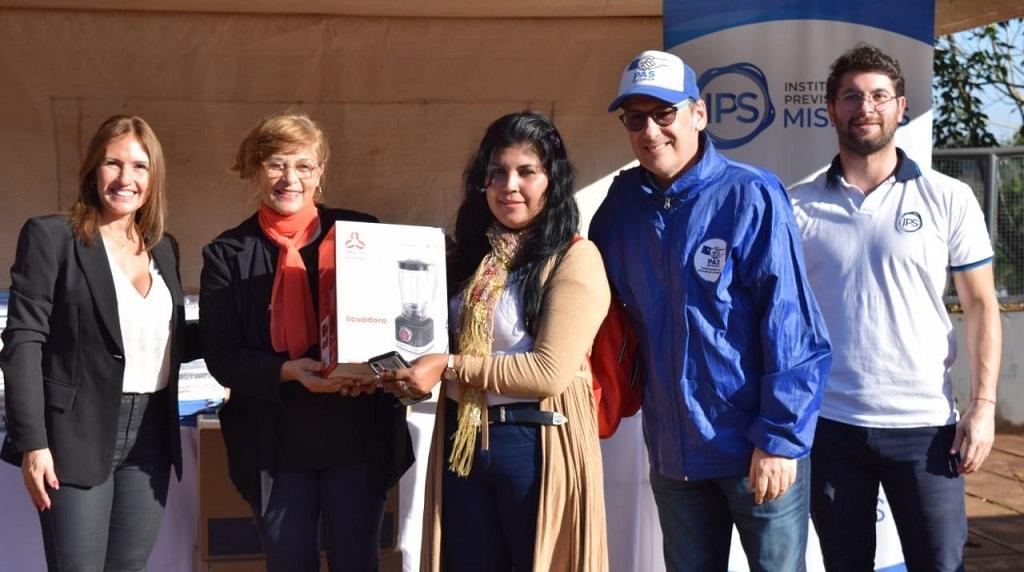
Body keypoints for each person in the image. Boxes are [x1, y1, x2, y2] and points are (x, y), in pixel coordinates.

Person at [589, 50, 832, 572]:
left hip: (756, 451)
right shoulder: (620, 206)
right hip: (676, 458)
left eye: (664, 113)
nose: (651, 131)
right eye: (636, 118)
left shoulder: (750, 195)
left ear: (698, 114)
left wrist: (780, 441)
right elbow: (595, 307)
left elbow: (791, 325)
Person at [790, 44, 1002, 571]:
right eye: (852, 97)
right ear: (831, 109)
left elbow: (980, 305)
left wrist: (983, 406)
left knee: (939, 565)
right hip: (830, 426)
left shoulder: (948, 197)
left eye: (879, 96)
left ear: (901, 106)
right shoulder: (796, 205)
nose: (867, 107)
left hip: (927, 430)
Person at [379, 111, 610, 572]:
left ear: (552, 182)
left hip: (536, 446)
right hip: (462, 445)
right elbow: (427, 344)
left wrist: (446, 366)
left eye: (527, 172)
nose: (509, 185)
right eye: (497, 173)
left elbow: (548, 372)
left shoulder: (574, 258)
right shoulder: (465, 257)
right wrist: (405, 375)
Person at [199, 112, 413, 572]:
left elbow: (393, 323)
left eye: (304, 165)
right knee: (288, 562)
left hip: (357, 432)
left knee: (356, 560)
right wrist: (285, 370)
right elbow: (220, 355)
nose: (290, 178)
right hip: (274, 441)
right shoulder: (226, 254)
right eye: (276, 164)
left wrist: (375, 370)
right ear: (256, 171)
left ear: (321, 173)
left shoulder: (361, 234)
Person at [1, 115, 194, 570]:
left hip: (150, 434)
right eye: (114, 163)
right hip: (75, 434)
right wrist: (33, 442)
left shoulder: (164, 247)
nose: (126, 178)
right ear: (93, 169)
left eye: (140, 166)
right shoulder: (52, 236)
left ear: (155, 177)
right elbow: (23, 341)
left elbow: (170, 336)